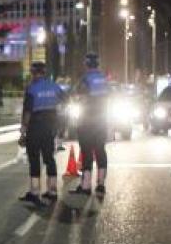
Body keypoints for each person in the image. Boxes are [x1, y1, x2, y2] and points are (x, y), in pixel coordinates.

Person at [19, 60, 66, 203]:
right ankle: (52, 191)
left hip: (35, 125)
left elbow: (27, 111)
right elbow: (65, 99)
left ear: (33, 73)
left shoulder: (32, 88)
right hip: (50, 126)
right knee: (49, 157)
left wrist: (23, 131)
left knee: (34, 158)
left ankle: (35, 192)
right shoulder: (54, 86)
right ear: (44, 72)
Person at [72, 53, 110, 196]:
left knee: (86, 151)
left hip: (87, 121)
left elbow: (79, 97)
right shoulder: (104, 79)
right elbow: (109, 97)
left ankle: (86, 185)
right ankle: (101, 184)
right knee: (100, 150)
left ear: (86, 64)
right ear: (98, 63)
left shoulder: (85, 79)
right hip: (102, 120)